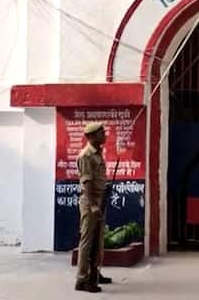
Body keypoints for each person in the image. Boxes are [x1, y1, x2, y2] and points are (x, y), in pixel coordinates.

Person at [75, 122, 113, 293]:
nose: (104, 135)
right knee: (87, 240)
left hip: (99, 199)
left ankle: (95, 273)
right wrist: (92, 205)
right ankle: (82, 279)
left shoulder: (98, 153)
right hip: (91, 202)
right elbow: (87, 182)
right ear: (91, 136)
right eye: (101, 133)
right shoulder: (86, 156)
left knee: (98, 240)